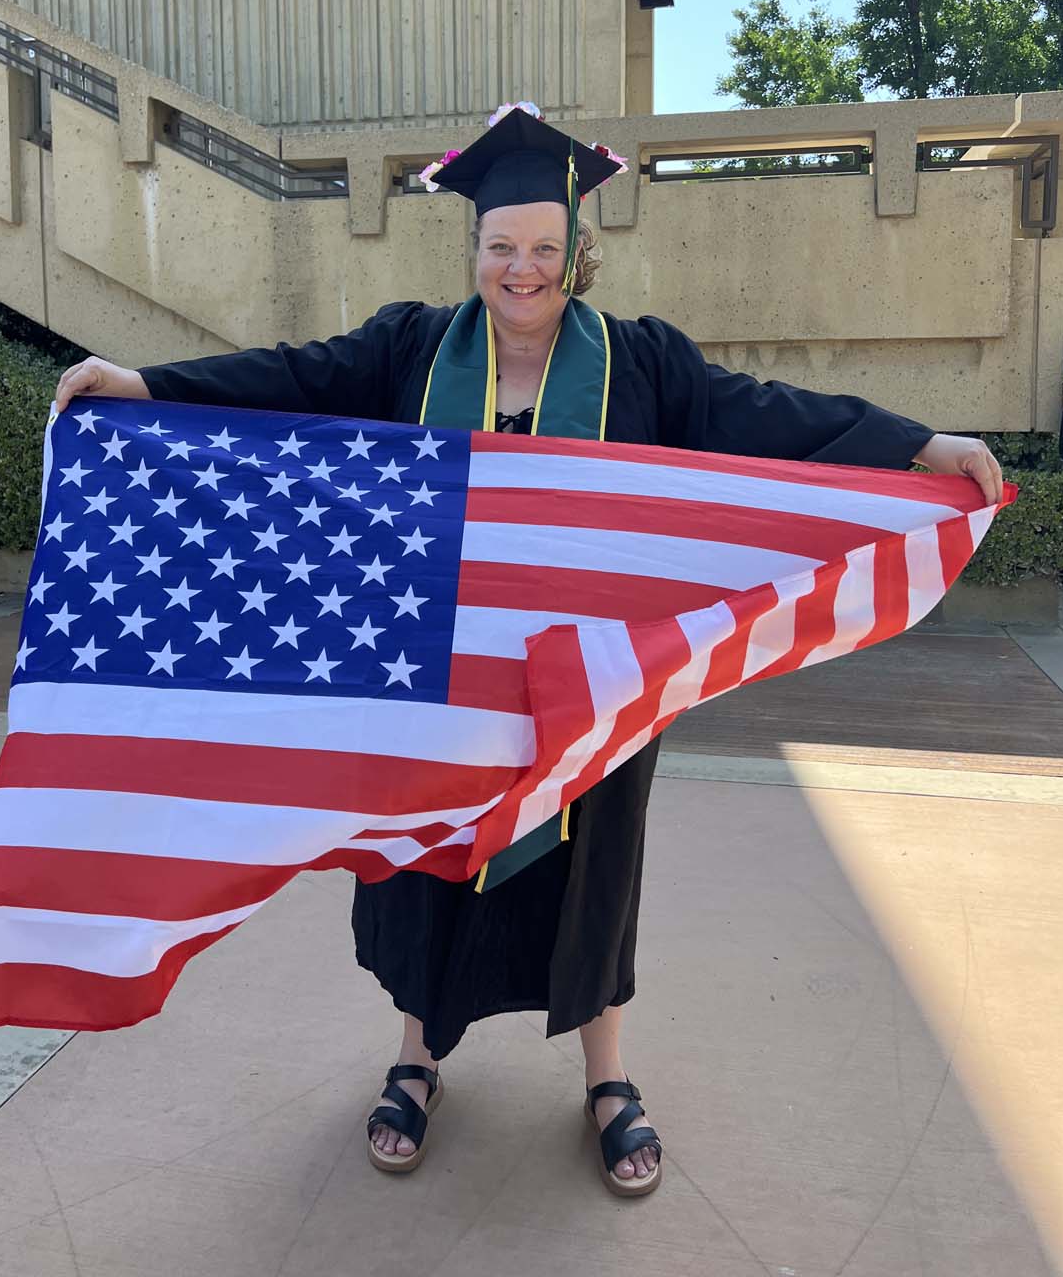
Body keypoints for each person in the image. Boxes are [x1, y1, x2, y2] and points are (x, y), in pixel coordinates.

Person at [55, 101, 1004, 1197]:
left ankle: (607, 1078)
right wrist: (148, 387)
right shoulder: (411, 348)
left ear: (576, 252)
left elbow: (769, 415)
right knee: (424, 859)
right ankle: (418, 1058)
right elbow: (294, 380)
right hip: (435, 678)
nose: (522, 269)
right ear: (474, 250)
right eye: (502, 247)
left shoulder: (643, 365)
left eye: (544, 248)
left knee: (593, 867)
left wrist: (921, 444)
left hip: (592, 684)